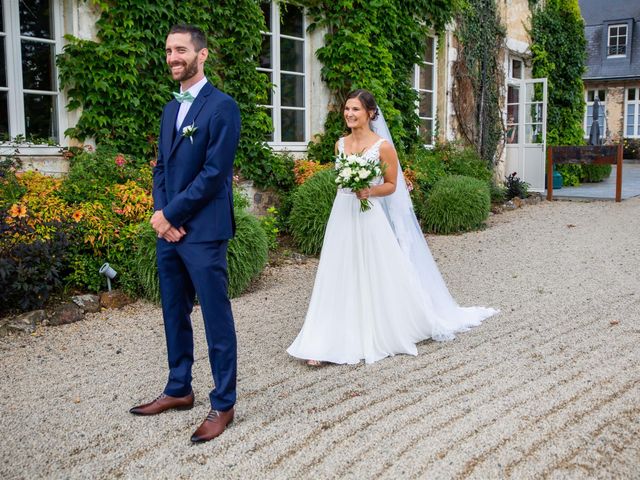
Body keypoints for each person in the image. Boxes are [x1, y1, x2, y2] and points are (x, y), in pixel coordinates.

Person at [287, 89, 497, 365]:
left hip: (368, 214)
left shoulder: (382, 146)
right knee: (338, 270)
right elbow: (340, 178)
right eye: (347, 109)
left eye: (356, 109)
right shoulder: (339, 144)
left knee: (374, 271)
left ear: (370, 113)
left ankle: (382, 328)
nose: (349, 114)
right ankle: (325, 339)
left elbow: (391, 185)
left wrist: (368, 191)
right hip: (342, 213)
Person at [129, 24, 241, 444]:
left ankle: (224, 401)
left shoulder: (222, 107)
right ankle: (179, 388)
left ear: (202, 54)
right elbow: (161, 167)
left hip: (204, 231)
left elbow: (215, 174)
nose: (172, 57)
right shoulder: (168, 109)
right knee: (174, 311)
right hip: (169, 230)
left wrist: (171, 214)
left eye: (180, 50)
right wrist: (161, 214)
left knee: (215, 316)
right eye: (168, 50)